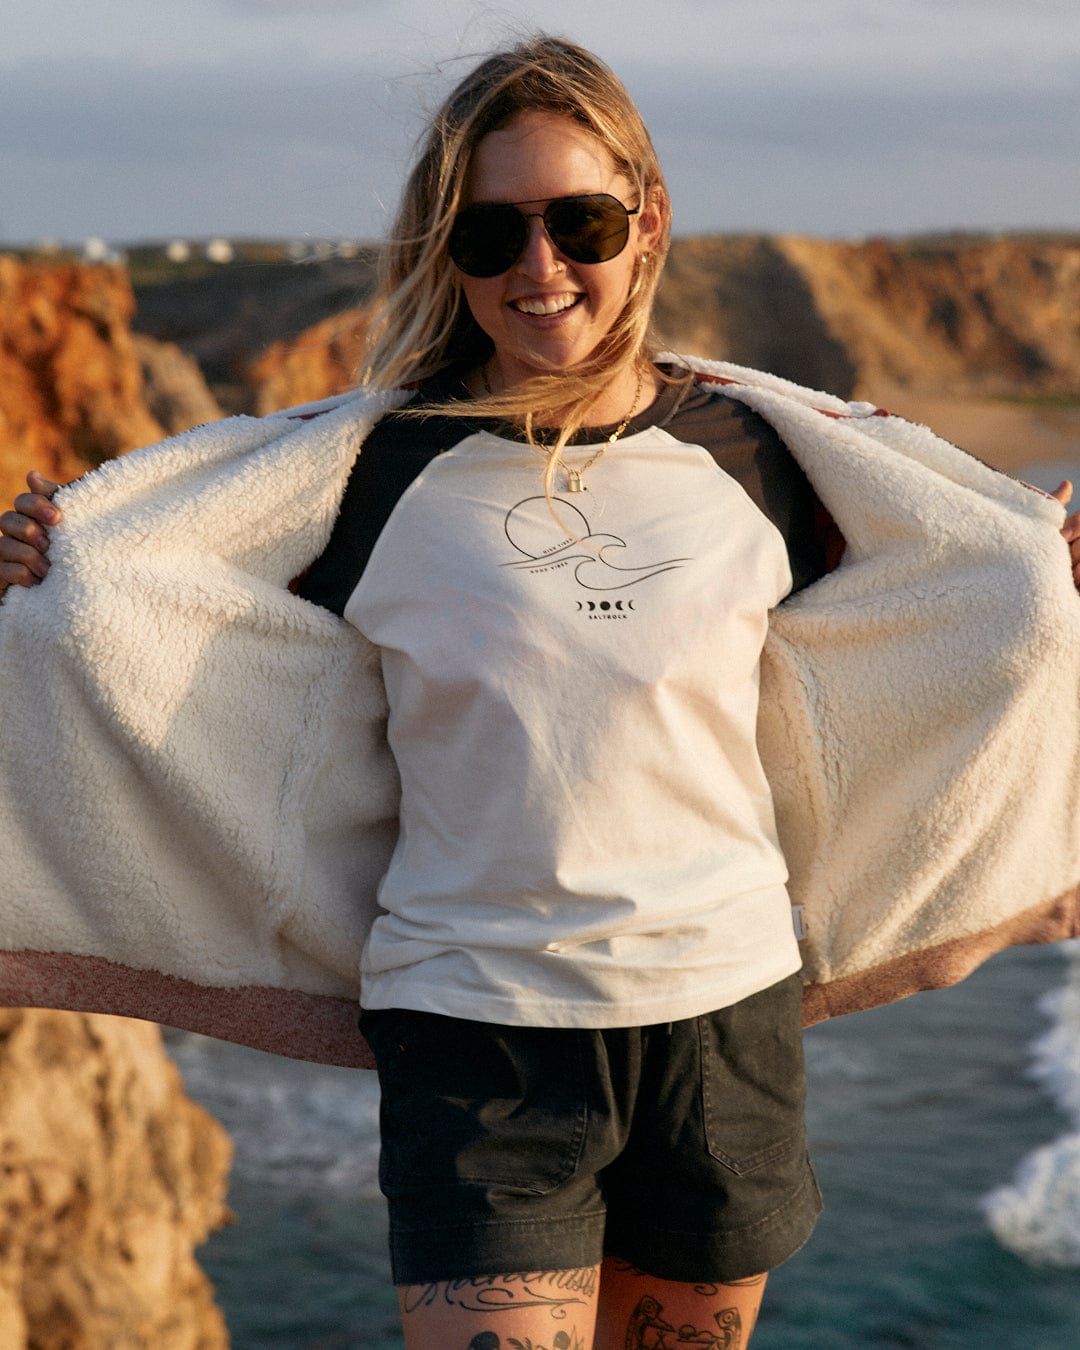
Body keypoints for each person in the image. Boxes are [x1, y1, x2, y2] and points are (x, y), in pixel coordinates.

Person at [2, 36, 1080, 1350]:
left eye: (580, 222)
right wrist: (64, 578)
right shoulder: (372, 474)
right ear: (443, 249)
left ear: (648, 218)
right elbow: (164, 614)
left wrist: (1039, 575)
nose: (541, 269)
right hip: (478, 1041)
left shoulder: (756, 457)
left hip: (720, 1031)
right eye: (490, 233)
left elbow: (933, 615)